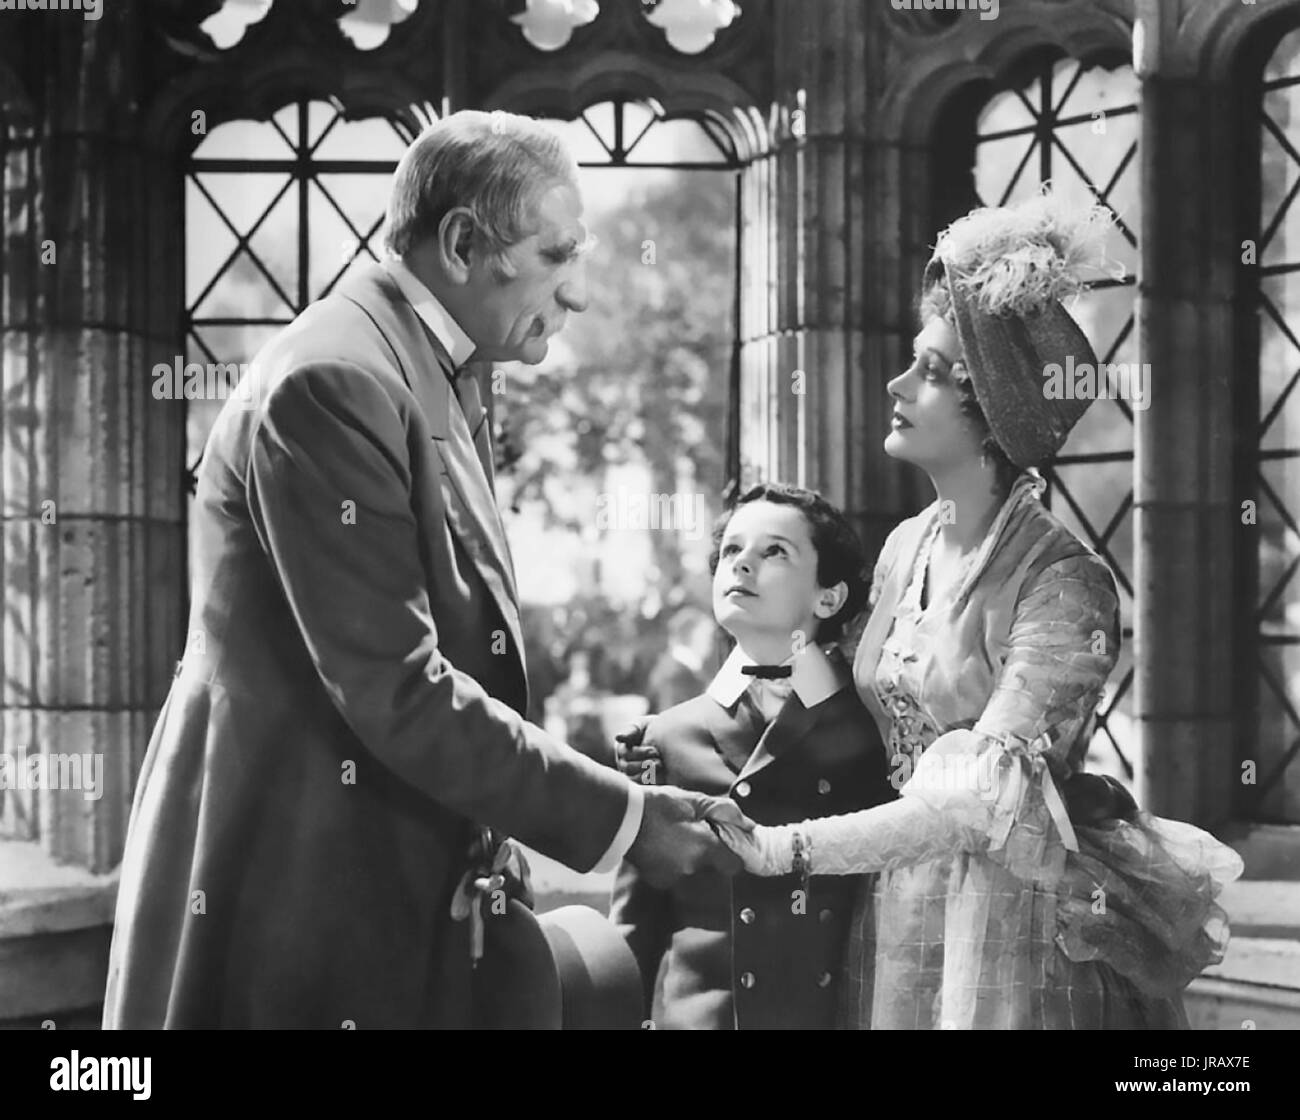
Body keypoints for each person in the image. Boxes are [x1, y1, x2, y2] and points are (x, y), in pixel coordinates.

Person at [102, 110, 743, 1029]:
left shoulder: (435, 368)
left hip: (384, 861)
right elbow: (396, 686)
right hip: (299, 868)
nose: (579, 296)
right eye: (559, 256)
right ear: (462, 242)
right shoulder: (336, 379)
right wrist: (631, 820)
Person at [709, 193, 1244, 1029]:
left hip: (1012, 927)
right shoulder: (903, 549)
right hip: (895, 903)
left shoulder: (1063, 583)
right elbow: (843, 703)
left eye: (928, 370)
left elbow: (969, 807)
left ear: (990, 404)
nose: (895, 383)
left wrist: (787, 850)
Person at [610, 484, 895, 1029]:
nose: (741, 564)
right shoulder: (661, 737)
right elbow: (635, 926)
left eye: (774, 552)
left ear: (828, 598)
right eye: (731, 551)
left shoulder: (872, 729)